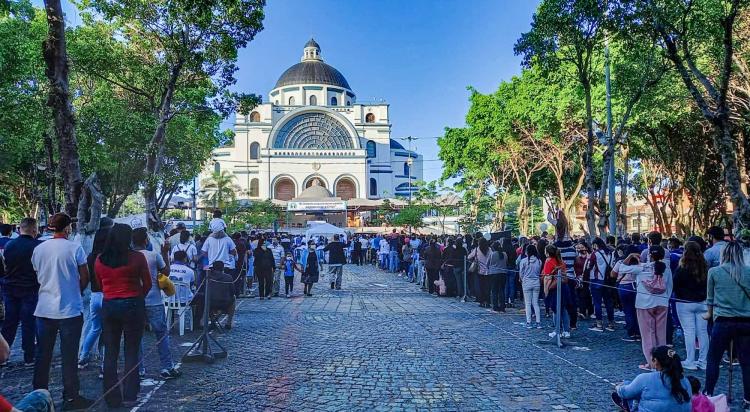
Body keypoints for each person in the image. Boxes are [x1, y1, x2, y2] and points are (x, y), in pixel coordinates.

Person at [30, 213, 93, 410]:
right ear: (67, 228)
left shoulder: (39, 249)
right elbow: (85, 276)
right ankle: (71, 396)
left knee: (43, 355)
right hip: (70, 310)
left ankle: (39, 395)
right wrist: (76, 291)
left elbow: (37, 275)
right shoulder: (75, 248)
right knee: (69, 355)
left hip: (44, 309)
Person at [95, 224, 151, 408]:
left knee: (110, 352)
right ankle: (130, 393)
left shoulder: (100, 260)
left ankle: (111, 396)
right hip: (133, 303)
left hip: (110, 304)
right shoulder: (137, 257)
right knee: (131, 350)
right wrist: (138, 295)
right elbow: (148, 283)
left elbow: (100, 284)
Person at [704, 241, 750, 406]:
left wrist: (709, 313)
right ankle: (748, 399)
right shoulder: (748, 271)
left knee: (713, 359)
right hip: (746, 321)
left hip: (723, 321)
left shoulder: (714, 272)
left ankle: (708, 393)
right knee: (747, 362)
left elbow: (710, 298)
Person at [132, 227, 180, 380]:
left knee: (136, 336)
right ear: (146, 240)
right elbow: (166, 272)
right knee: (161, 334)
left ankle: (139, 369)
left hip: (136, 301)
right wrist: (165, 252)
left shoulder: (129, 257)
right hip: (154, 300)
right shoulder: (153, 255)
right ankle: (167, 367)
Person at [1, 217, 41, 367]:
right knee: (28, 323)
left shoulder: (10, 245)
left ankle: (3, 355)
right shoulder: (37, 246)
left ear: (20, 229)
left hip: (10, 287)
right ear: (34, 230)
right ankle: (29, 357)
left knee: (9, 322)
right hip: (29, 288)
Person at [612, 346, 692, 412]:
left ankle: (626, 407)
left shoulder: (645, 378)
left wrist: (618, 387)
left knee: (629, 387)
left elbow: (625, 393)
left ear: (656, 361)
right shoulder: (685, 381)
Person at [672, 240, 709, 371]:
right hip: (702, 302)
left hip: (685, 303)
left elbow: (675, 284)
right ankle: (703, 361)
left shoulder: (682, 267)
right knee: (703, 333)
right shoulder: (705, 266)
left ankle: (690, 360)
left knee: (689, 332)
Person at [77, 226, 111, 370]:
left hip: (95, 295)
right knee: (108, 332)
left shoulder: (90, 256)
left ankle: (83, 356)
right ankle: (104, 365)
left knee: (95, 328)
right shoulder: (109, 256)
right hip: (107, 295)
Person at [193, 261, 236, 330]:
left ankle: (212, 320)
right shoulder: (228, 277)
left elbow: (202, 289)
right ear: (223, 268)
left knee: (205, 298)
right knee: (234, 298)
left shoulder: (207, 277)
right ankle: (228, 322)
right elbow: (233, 292)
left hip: (210, 302)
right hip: (224, 303)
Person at [587, 238, 616, 332]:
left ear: (595, 245)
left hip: (596, 280)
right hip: (607, 281)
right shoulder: (610, 253)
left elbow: (589, 266)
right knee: (609, 302)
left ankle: (599, 323)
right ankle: (611, 323)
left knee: (597, 302)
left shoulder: (595, 254)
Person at [543, 245, 570, 339]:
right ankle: (566, 331)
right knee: (563, 309)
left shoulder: (548, 261)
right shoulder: (560, 261)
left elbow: (547, 277)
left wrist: (546, 290)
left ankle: (557, 330)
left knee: (555, 309)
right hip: (564, 287)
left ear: (547, 252)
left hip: (554, 288)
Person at [519, 245, 542, 329]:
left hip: (527, 282)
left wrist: (522, 279)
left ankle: (529, 322)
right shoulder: (539, 261)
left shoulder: (523, 261)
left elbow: (521, 273)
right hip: (536, 282)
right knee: (535, 303)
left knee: (528, 303)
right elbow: (539, 271)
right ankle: (538, 322)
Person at [467, 238, 491, 308]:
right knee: (487, 287)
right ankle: (488, 302)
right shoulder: (489, 249)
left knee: (481, 287)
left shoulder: (477, 249)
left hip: (479, 270)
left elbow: (469, 257)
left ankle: (482, 301)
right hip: (488, 271)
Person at [487, 241, 508, 313]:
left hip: (493, 274)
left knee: (494, 291)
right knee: (502, 290)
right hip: (503, 273)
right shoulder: (504, 254)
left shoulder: (492, 254)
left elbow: (487, 264)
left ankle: (495, 306)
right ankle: (502, 306)